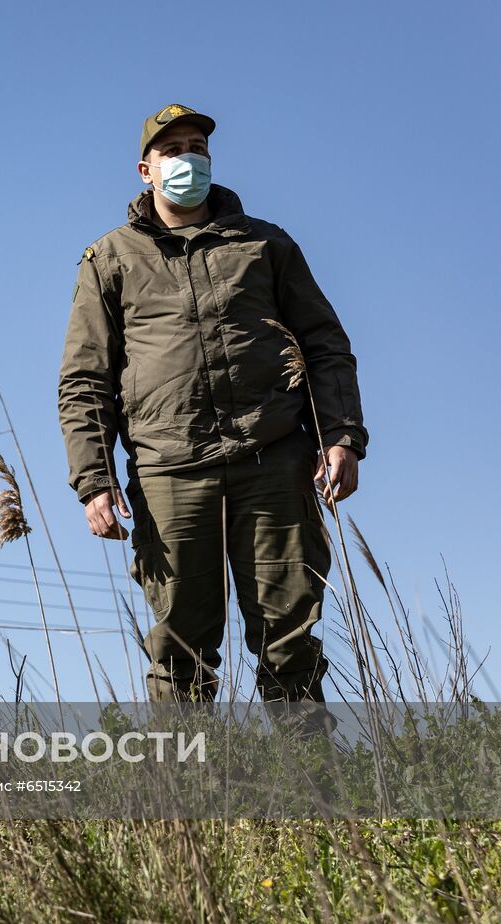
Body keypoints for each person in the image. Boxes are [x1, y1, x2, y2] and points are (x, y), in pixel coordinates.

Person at [57, 105, 367, 702]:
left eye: (197, 146)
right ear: (145, 170)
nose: (187, 159)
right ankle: (186, 795)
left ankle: (314, 792)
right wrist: (92, 478)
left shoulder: (266, 244)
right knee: (180, 652)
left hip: (273, 460)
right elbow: (85, 379)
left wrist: (342, 435)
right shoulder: (109, 259)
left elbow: (326, 345)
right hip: (169, 471)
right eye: (172, 150)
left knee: (291, 643)